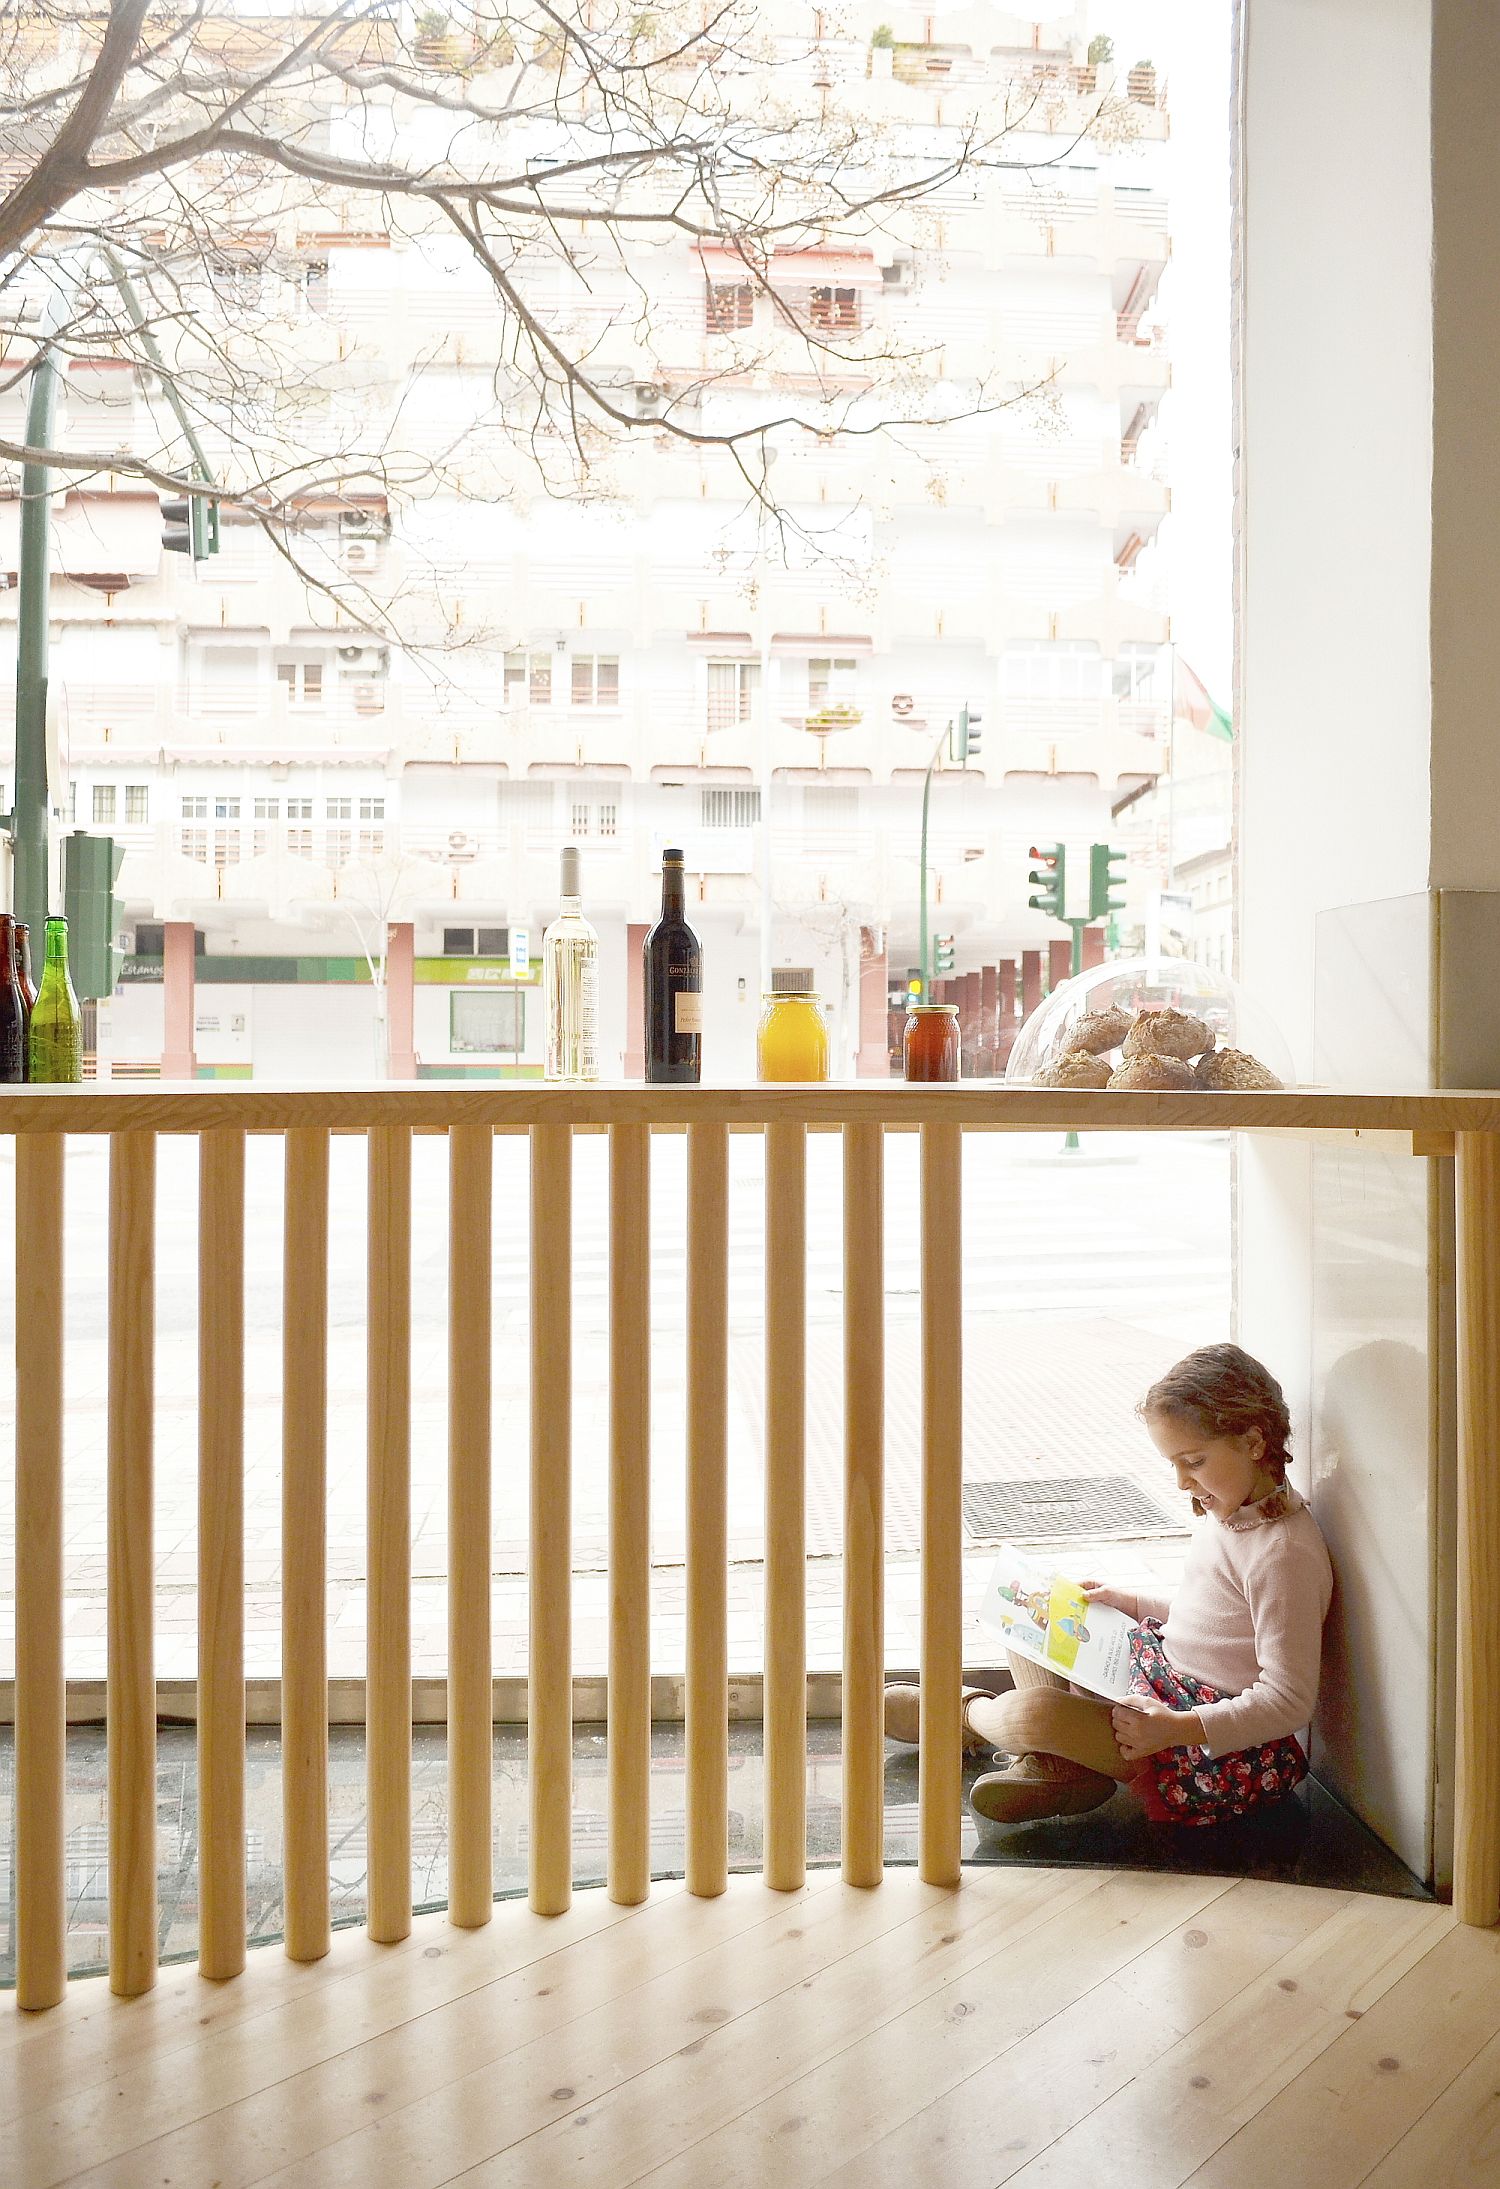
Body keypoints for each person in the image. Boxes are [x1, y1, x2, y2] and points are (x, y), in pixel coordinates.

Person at [883, 1343, 1334, 1827]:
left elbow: (1288, 1700)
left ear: (1254, 1442)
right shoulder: (1234, 1513)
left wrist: (1173, 1729)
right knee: (1037, 1615)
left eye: (1195, 1462)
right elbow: (1218, 1621)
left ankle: (966, 1716)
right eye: (1174, 1465)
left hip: (1204, 1750)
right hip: (1162, 1681)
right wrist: (1132, 1601)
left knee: (1034, 1713)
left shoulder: (1283, 1555)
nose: (1183, 1482)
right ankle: (1063, 1769)